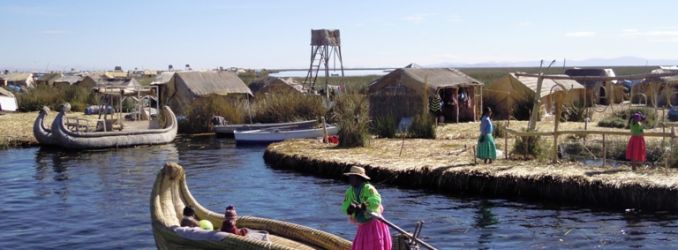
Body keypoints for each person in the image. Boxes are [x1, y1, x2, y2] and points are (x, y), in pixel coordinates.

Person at [342, 166, 392, 250]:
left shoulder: (369, 188)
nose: (349, 179)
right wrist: (350, 209)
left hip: (373, 223)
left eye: (352, 177)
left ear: (359, 178)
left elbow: (376, 200)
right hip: (362, 224)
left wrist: (363, 205)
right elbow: (345, 206)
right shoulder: (349, 192)